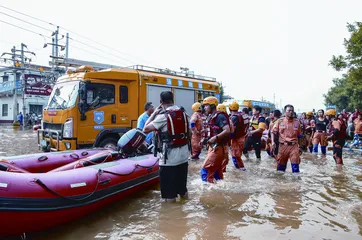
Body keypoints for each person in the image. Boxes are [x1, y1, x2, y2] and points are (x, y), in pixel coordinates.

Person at [143, 91, 190, 202]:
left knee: (169, 195)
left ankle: (171, 218)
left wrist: (154, 113)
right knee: (183, 190)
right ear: (173, 100)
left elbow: (145, 129)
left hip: (169, 160)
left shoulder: (163, 117)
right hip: (183, 157)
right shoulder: (184, 114)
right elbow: (190, 133)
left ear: (161, 102)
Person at [200, 96, 230, 183]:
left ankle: (206, 191)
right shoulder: (210, 116)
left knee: (205, 169)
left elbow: (227, 130)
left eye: (206, 105)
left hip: (218, 147)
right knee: (217, 170)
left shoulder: (220, 116)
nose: (204, 107)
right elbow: (211, 130)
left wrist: (215, 138)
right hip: (214, 147)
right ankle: (219, 189)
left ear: (213, 106)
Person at [271, 104, 302, 172]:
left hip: (294, 147)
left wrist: (300, 147)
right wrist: (273, 142)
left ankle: (295, 182)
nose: (291, 112)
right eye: (289, 110)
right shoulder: (279, 121)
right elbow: (273, 132)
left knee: (295, 168)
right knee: (280, 170)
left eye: (292, 111)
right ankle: (281, 183)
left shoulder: (297, 122)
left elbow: (299, 136)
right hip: (282, 147)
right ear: (285, 112)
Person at [229, 101, 249, 170]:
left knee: (235, 155)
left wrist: (228, 138)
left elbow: (232, 129)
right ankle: (240, 169)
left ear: (230, 108)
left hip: (236, 138)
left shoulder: (234, 117)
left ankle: (240, 169)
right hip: (242, 137)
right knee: (238, 155)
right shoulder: (244, 115)